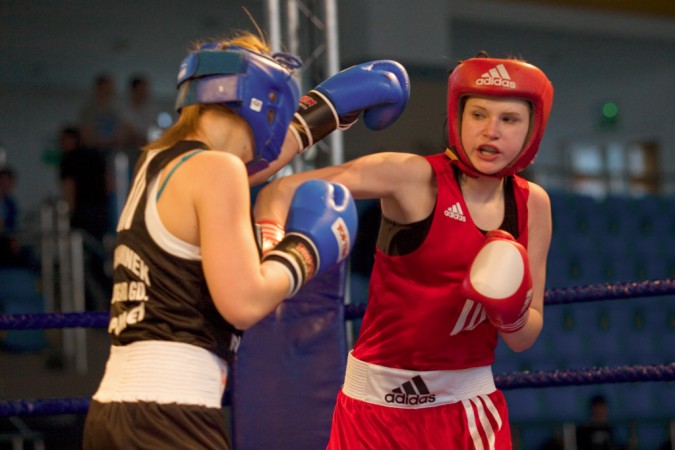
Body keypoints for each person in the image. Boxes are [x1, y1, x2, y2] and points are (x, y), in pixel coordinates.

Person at [82, 28, 409, 449]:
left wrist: (324, 111)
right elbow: (243, 303)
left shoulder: (157, 163)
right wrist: (307, 248)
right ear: (264, 105)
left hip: (113, 410)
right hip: (171, 417)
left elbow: (250, 168)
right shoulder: (219, 170)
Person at [254, 51, 554, 449]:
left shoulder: (532, 204)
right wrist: (271, 255)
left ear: (533, 128)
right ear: (457, 117)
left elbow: (525, 337)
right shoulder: (412, 177)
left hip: (467, 410)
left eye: (509, 119)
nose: (491, 131)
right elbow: (280, 191)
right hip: (372, 411)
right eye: (478, 114)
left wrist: (512, 313)